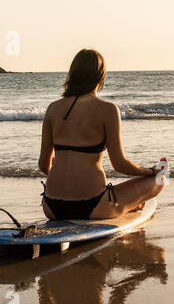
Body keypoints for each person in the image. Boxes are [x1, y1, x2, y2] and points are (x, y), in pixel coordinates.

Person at [38, 48, 166, 220]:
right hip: (92, 206)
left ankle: (127, 204)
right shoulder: (108, 110)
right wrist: (150, 171)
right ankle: (129, 204)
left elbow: (43, 166)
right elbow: (119, 165)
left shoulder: (53, 109)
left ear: (72, 73)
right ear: (100, 76)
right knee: (159, 181)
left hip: (51, 207)